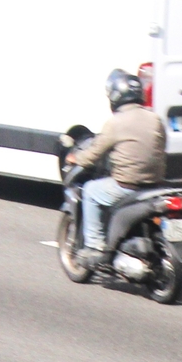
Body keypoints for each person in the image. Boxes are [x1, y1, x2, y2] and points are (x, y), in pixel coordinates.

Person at [67, 68, 166, 261]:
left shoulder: (115, 123)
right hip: (156, 184)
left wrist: (76, 158)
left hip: (127, 186)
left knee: (90, 191)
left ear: (116, 96)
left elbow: (94, 154)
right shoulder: (156, 120)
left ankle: (95, 247)